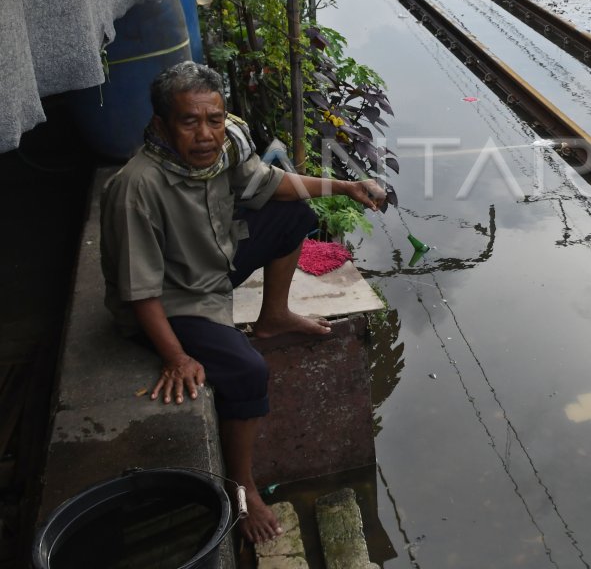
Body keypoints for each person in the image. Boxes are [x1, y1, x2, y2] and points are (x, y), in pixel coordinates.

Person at [101, 62, 384, 544]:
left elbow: (269, 183)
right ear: (162, 125)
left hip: (213, 265)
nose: (205, 134)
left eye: (213, 118)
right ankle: (244, 486)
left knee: (293, 213)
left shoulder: (226, 142)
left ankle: (273, 316)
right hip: (175, 300)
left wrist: (346, 186)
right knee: (248, 371)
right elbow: (140, 290)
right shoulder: (136, 188)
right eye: (190, 121)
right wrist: (176, 356)